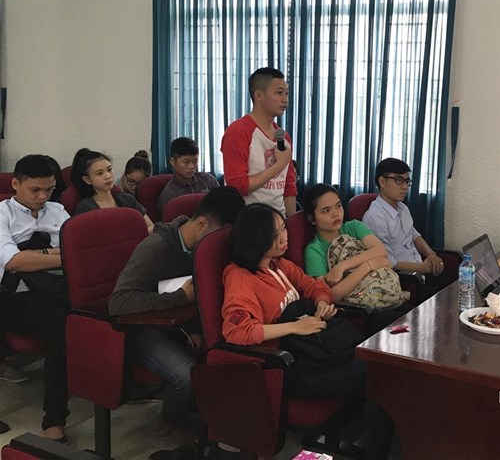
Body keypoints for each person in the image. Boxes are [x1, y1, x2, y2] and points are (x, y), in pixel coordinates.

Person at [221, 204, 394, 459]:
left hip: (312, 351)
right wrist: (296, 326)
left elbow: (314, 286)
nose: (285, 237)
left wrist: (322, 303)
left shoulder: (279, 265)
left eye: (284, 229)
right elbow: (237, 332)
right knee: (384, 375)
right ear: (256, 238)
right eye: (276, 234)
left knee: (385, 364)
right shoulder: (240, 277)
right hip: (284, 366)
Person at [109, 187, 244, 443]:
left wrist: (195, 328)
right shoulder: (156, 248)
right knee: (184, 374)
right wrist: (180, 297)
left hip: (180, 324)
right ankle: (173, 421)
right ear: (202, 224)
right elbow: (118, 302)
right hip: (143, 329)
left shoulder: (202, 248)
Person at [0, 155, 71, 442]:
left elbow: (80, 250)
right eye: (36, 190)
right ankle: (54, 420)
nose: (43, 197)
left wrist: (35, 255)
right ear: (16, 184)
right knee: (63, 327)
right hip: (15, 296)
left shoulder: (58, 211)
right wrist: (61, 255)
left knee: (93, 316)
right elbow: (13, 262)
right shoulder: (2, 214)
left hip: (59, 288)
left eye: (49, 189)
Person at [303, 184, 410, 331]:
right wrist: (368, 265)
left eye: (338, 206)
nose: (335, 214)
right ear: (312, 219)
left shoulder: (353, 227)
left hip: (388, 292)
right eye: (326, 210)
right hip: (363, 309)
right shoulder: (314, 250)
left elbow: (380, 251)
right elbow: (329, 295)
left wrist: (342, 266)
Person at [361, 158, 446, 300]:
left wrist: (431, 254)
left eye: (407, 181)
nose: (405, 186)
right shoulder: (375, 218)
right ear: (382, 182)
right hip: (402, 282)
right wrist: (424, 268)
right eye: (399, 180)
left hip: (420, 273)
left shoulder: (402, 208)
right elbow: (388, 262)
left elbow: (414, 234)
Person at [220, 67, 297, 216]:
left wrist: (291, 223)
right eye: (279, 93)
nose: (285, 99)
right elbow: (237, 186)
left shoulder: (283, 137)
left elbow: (289, 187)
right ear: (259, 95)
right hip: (247, 220)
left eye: (286, 93)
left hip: (278, 219)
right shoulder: (238, 132)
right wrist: (280, 164)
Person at [71, 148, 154, 232]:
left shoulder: (127, 199)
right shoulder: (85, 208)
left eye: (109, 169)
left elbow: (151, 226)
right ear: (87, 179)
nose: (108, 176)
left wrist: (134, 236)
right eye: (100, 173)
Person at [157, 137, 219, 216]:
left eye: (195, 161)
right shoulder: (169, 196)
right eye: (186, 162)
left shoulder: (208, 180)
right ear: (172, 161)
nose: (192, 167)